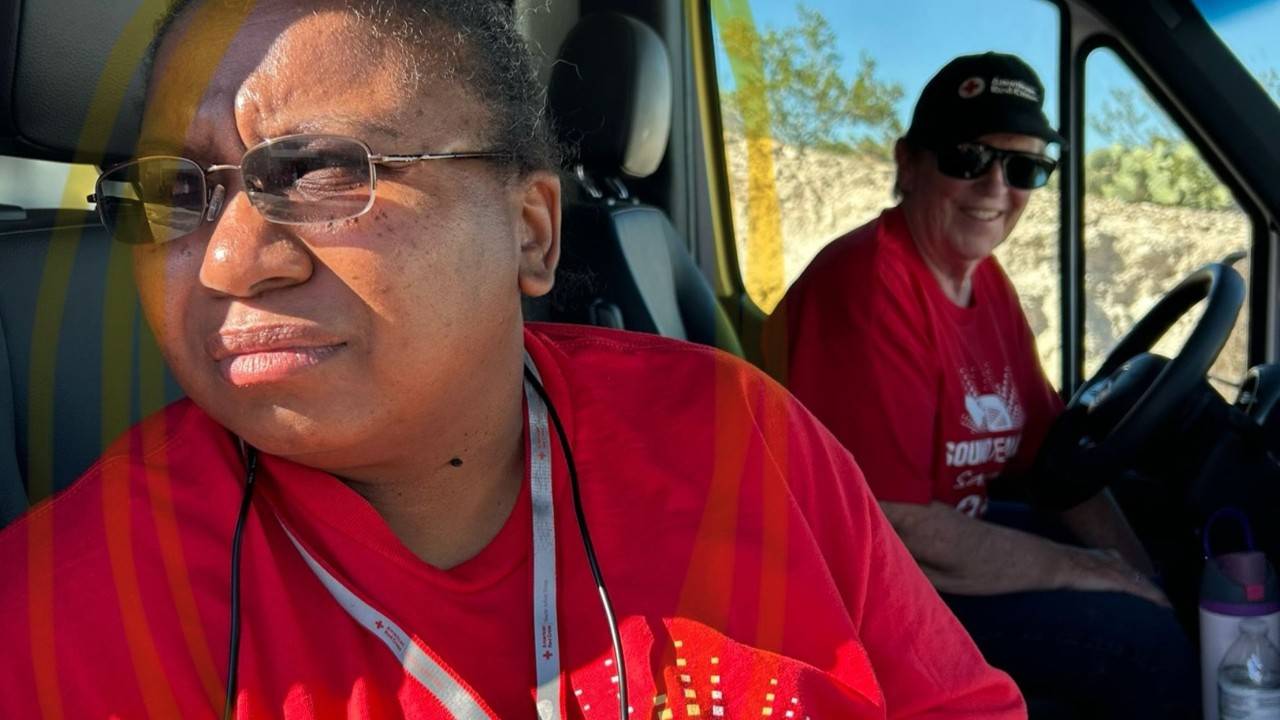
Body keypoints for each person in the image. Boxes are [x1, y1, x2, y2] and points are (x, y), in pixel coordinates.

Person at [0, 3, 1025, 718]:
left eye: (319, 172)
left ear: (531, 231)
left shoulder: (738, 437)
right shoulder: (67, 613)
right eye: (175, 191)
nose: (227, 261)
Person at [764, 53, 1199, 718]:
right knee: (1147, 644)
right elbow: (898, 528)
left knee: (1164, 560)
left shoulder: (986, 284)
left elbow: (1052, 458)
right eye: (968, 158)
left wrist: (1134, 567)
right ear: (908, 164)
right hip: (856, 586)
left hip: (937, 537)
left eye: (1024, 167)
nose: (997, 187)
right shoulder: (871, 286)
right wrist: (1091, 573)